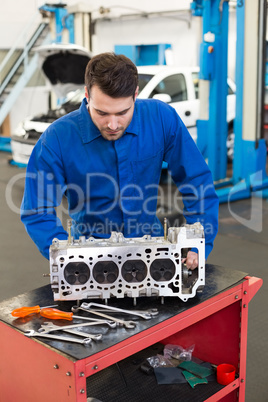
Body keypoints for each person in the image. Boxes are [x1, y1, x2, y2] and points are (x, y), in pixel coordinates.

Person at [21, 52, 219, 270]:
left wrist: (198, 241)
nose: (113, 124)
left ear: (135, 95)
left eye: (122, 112)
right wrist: (66, 258)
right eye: (102, 113)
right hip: (90, 257)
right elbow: (37, 210)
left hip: (151, 252)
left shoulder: (161, 118)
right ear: (87, 94)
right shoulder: (57, 139)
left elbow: (197, 180)